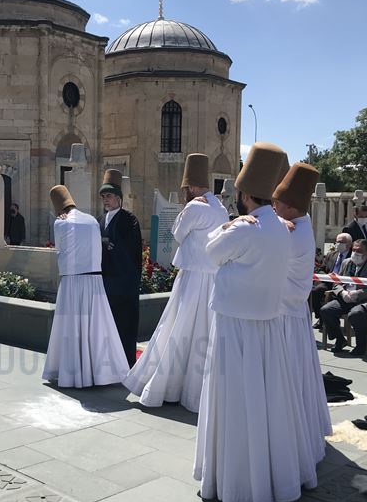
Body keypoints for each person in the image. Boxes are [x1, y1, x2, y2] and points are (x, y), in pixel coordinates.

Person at [194, 142, 316, 502]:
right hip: (266, 325)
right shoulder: (283, 228)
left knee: (234, 402)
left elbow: (210, 254)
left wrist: (230, 225)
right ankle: (272, 478)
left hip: (233, 324)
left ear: (245, 195)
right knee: (266, 402)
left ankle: (235, 480)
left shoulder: (246, 228)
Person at [123, 153, 228, 412]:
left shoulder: (194, 207)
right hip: (214, 278)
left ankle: (168, 385)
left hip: (191, 276)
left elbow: (177, 233)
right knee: (204, 333)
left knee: (177, 329)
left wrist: (188, 208)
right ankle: (198, 391)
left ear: (190, 187)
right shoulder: (221, 208)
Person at [273, 162, 333, 464]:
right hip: (293, 313)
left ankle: (290, 429)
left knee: (289, 379)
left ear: (291, 206)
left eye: (277, 204)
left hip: (285, 314)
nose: (274, 208)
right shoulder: (300, 225)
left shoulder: (293, 233)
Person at [42, 185, 129, 388]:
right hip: (95, 281)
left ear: (57, 208)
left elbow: (60, 252)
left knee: (72, 327)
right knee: (97, 327)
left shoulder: (59, 223)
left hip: (72, 281)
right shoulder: (91, 220)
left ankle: (73, 373)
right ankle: (102, 372)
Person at [98, 169, 143, 367]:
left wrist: (108, 244)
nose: (105, 200)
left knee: (123, 326)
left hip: (123, 286)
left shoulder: (129, 220)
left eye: (109, 196)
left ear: (118, 198)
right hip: (105, 284)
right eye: (103, 196)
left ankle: (124, 365)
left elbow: (130, 251)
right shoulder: (100, 221)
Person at [319, 238, 367, 356]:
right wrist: (342, 292)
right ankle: (340, 339)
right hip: (346, 298)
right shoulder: (347, 262)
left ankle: (361, 345)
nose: (355, 253)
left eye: (359, 251)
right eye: (354, 250)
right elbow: (337, 282)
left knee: (356, 314)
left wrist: (359, 293)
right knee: (326, 310)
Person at [310, 232, 353, 329]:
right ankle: (320, 317)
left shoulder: (352, 257)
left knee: (333, 296)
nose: (338, 244)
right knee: (315, 291)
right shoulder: (331, 255)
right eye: (337, 242)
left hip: (342, 284)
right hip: (328, 281)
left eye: (342, 242)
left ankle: (328, 319)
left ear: (349, 243)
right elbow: (320, 269)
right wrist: (327, 276)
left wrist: (340, 277)